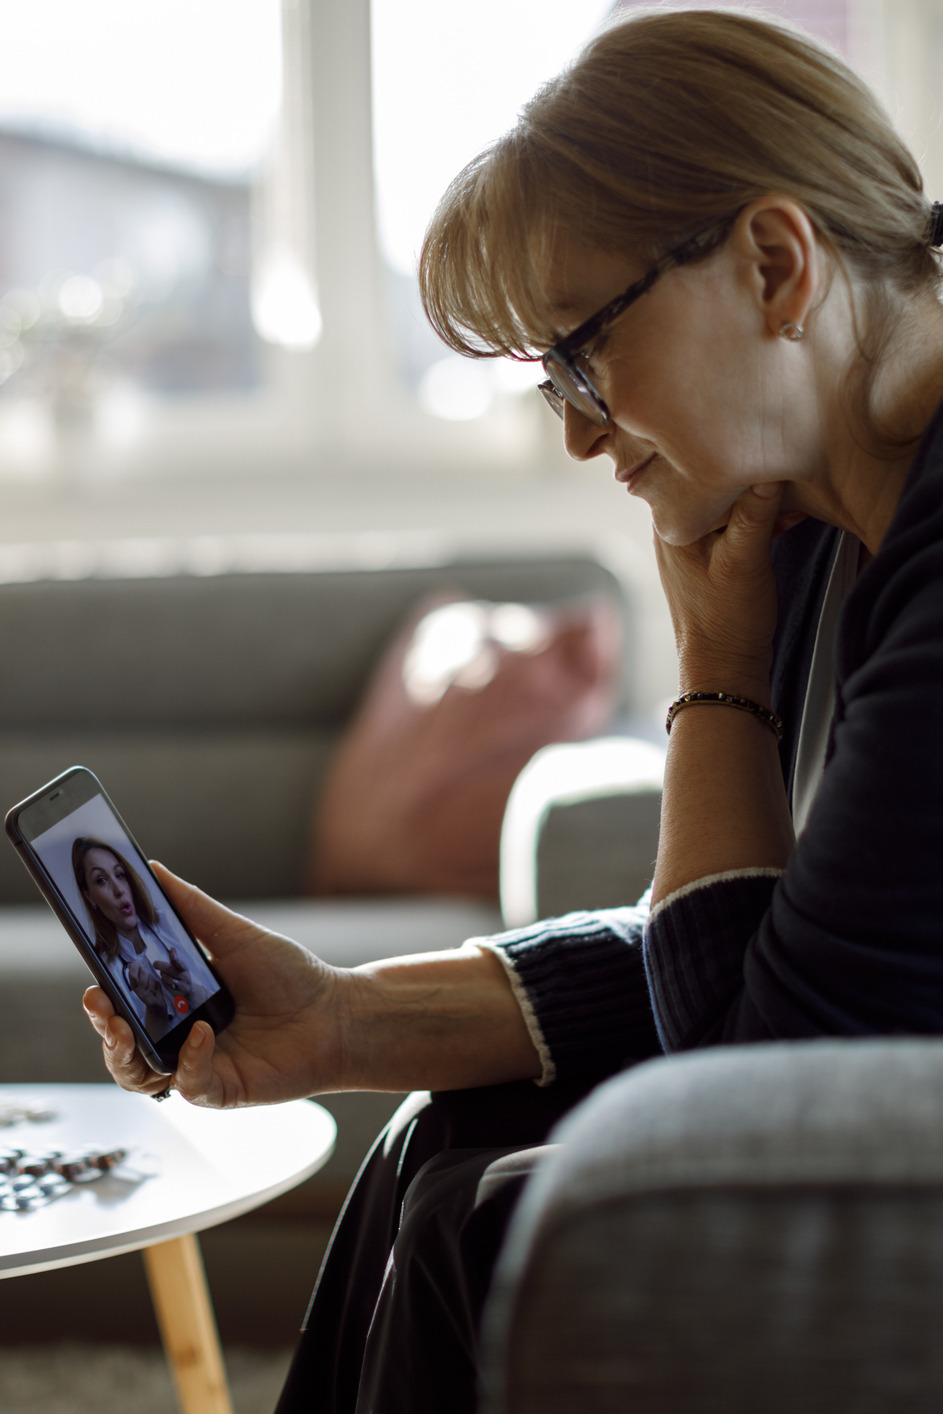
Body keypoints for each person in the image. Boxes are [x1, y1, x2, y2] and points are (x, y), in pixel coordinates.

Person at [82, 8, 943, 1411]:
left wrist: (715, 672)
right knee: (437, 1144)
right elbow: (785, 954)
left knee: (479, 1227)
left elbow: (757, 1097)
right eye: (551, 379)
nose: (577, 432)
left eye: (582, 354)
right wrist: (345, 1019)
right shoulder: (821, 523)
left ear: (774, 265)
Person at [73, 836, 215, 1039]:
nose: (118, 889)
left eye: (119, 874)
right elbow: (146, 1048)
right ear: (89, 896)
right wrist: (155, 1012)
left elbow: (215, 999)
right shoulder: (107, 968)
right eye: (101, 880)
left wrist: (191, 991)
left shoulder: (166, 923)